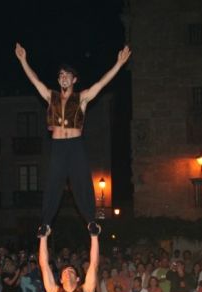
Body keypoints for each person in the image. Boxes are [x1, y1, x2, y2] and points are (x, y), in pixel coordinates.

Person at [15, 42, 131, 237]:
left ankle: (91, 221)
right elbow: (34, 80)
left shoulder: (82, 98)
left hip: (75, 145)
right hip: (58, 146)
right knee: (53, 183)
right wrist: (23, 60)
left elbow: (102, 83)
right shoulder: (50, 97)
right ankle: (46, 223)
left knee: (82, 182)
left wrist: (118, 64)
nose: (63, 78)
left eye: (67, 75)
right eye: (60, 75)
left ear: (74, 79)